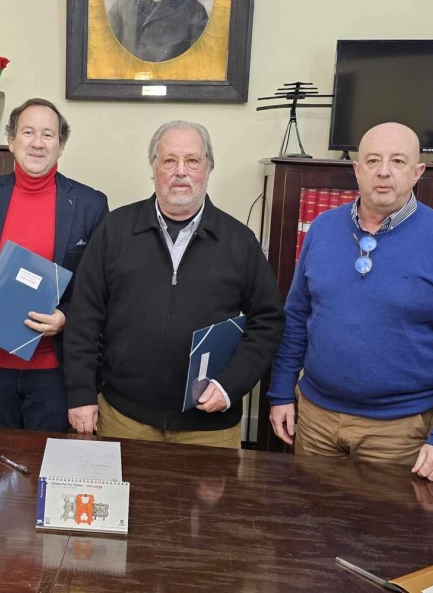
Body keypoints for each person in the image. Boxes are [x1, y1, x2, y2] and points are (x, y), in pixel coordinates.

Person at [267, 122, 433, 483]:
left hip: (399, 432)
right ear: (357, 169)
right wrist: (280, 393)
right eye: (373, 160)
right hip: (316, 420)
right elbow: (296, 318)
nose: (384, 171)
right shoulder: (322, 228)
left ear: (417, 172)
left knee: (386, 521)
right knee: (311, 514)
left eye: (398, 161)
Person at [63, 120, 285, 448]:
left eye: (192, 161)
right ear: (154, 168)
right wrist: (81, 393)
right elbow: (84, 316)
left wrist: (231, 385)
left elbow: (268, 322)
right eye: (169, 160)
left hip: (210, 427)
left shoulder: (239, 241)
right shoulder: (115, 230)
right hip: (125, 419)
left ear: (208, 168)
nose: (181, 171)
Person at [0, 98, 108, 432]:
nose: (38, 143)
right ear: (11, 141)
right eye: (28, 132)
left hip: (54, 371)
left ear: (61, 145)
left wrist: (65, 317)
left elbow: (99, 286)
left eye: (48, 135)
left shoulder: (89, 204)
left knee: (47, 459)